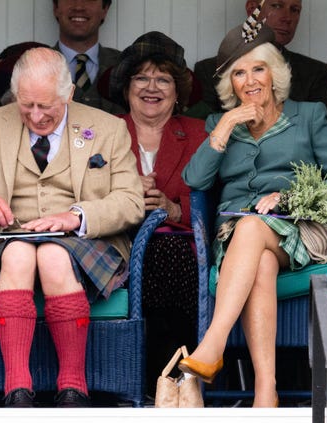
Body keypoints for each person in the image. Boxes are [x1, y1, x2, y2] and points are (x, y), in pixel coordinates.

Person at [0, 47, 145, 407]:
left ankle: (73, 385)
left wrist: (76, 217)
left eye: (46, 105)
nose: (36, 116)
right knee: (18, 254)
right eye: (26, 105)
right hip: (11, 238)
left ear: (68, 94)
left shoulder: (109, 129)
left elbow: (131, 201)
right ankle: (17, 388)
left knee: (52, 255)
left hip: (85, 240)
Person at [180, 20, 327, 407]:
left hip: (305, 229)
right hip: (241, 239)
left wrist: (292, 196)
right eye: (239, 73)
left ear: (274, 73)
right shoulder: (219, 124)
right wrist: (227, 125)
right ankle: (267, 392)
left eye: (258, 69)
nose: (250, 81)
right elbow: (195, 180)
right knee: (258, 256)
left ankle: (211, 345)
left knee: (251, 229)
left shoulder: (309, 116)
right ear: (229, 84)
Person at [108, 31, 207, 394]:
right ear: (126, 87)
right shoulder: (104, 132)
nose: (152, 87)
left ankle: (171, 381)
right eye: (141, 77)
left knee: (167, 252)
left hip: (176, 249)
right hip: (115, 241)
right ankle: (119, 384)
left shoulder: (200, 135)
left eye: (163, 78)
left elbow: (216, 198)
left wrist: (171, 207)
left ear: (178, 91)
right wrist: (126, 195)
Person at [190, 0, 327, 119]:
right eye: (277, 6)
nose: (287, 18)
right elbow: (201, 134)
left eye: (295, 10)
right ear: (252, 9)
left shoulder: (314, 72)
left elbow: (322, 133)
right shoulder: (209, 70)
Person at [52, 0, 123, 114]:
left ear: (105, 9)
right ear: (55, 7)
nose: (79, 6)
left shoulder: (126, 66)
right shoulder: (31, 66)